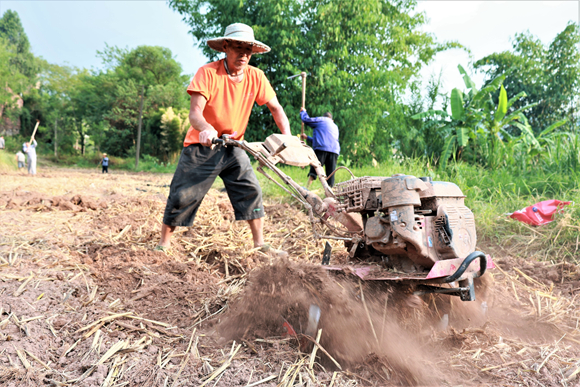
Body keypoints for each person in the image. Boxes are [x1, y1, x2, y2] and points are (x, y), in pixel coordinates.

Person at [157, 23, 291, 256]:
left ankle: (259, 244)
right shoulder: (207, 73)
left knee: (251, 189)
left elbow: (276, 109)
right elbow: (195, 113)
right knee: (182, 195)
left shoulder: (256, 77)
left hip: (234, 145)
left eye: (248, 49)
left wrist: (288, 140)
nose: (244, 54)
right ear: (226, 47)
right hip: (202, 146)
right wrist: (206, 129)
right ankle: (163, 245)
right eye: (238, 47)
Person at [299, 108, 340, 188]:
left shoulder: (322, 120)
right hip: (334, 150)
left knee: (314, 169)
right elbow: (323, 139)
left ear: (324, 117)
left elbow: (306, 120)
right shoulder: (335, 126)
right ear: (332, 119)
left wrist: (303, 112)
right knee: (330, 173)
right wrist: (307, 138)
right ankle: (330, 193)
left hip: (321, 149)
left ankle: (307, 188)